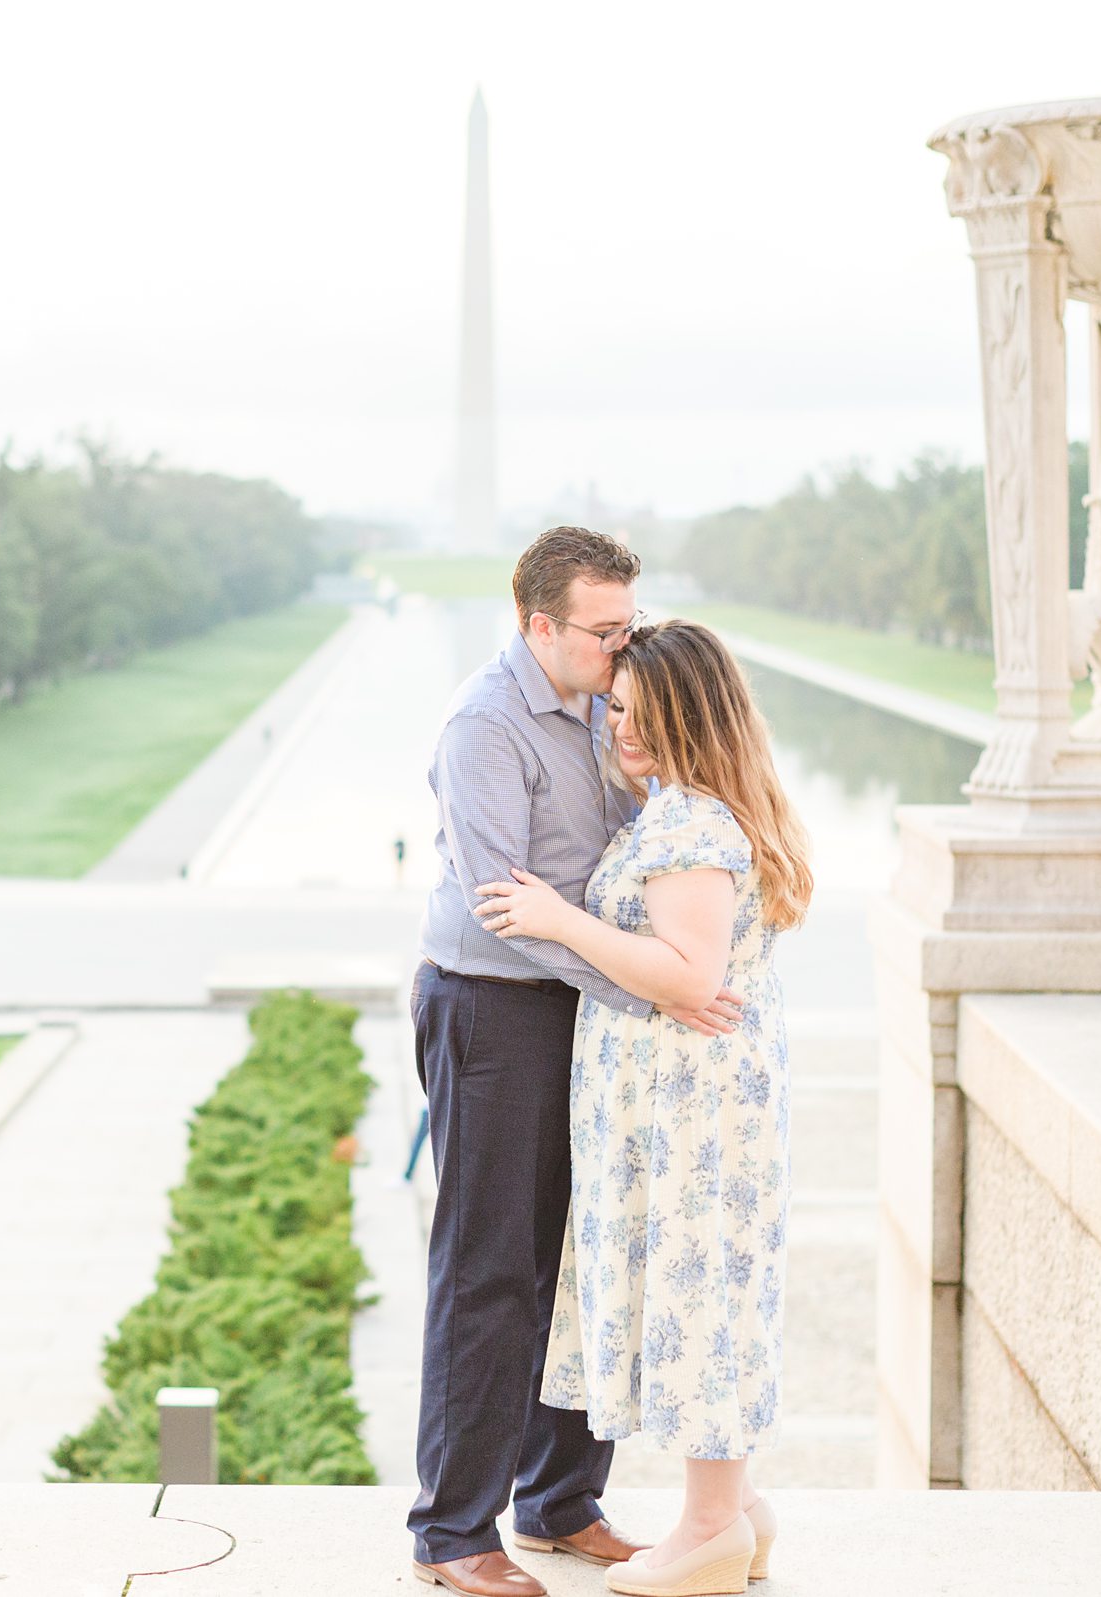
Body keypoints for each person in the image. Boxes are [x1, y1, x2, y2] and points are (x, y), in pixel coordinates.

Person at [409, 527, 742, 1597]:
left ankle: (560, 1500)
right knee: (490, 1272)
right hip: (493, 1014)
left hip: (588, 1016)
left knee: (580, 1262)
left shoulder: (615, 699)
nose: (619, 649)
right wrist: (656, 982)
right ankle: (453, 1530)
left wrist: (653, 979)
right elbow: (506, 912)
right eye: (602, 632)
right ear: (536, 624)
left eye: (628, 627)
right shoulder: (484, 728)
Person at [475, 619, 812, 1597]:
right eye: (616, 707)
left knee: (701, 1291)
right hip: (690, 1098)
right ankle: (734, 1511)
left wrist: (555, 917)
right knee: (707, 1286)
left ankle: (708, 1528)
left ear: (691, 717)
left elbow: (687, 970)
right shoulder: (689, 807)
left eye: (642, 713)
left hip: (696, 1111)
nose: (619, 729)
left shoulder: (693, 823)